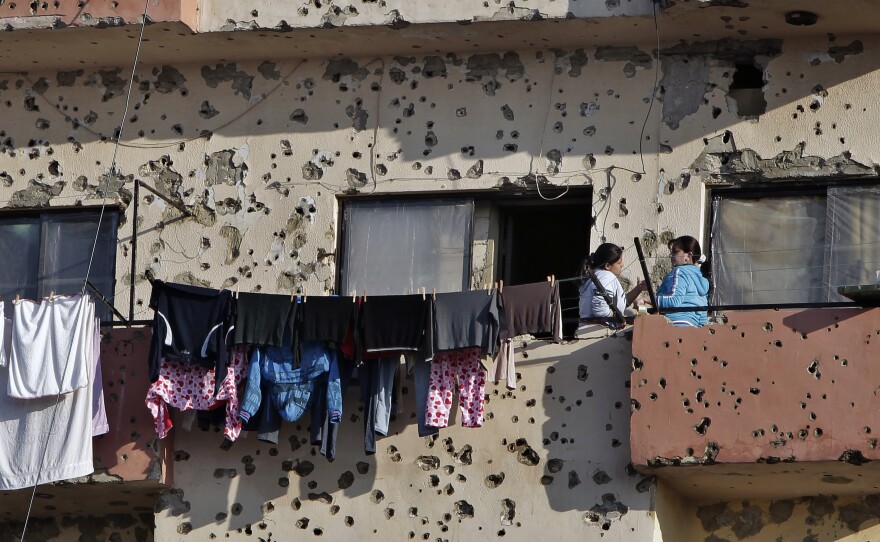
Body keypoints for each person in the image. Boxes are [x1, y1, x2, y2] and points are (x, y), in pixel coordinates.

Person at [579, 243, 646, 320]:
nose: (622, 265)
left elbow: (621, 303)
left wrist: (638, 289)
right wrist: (620, 318)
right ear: (607, 266)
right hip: (601, 330)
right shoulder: (605, 277)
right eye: (619, 263)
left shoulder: (598, 275)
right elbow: (601, 312)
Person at [656, 236, 710, 327]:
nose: (670, 255)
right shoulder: (702, 279)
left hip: (673, 325)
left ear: (688, 256)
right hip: (693, 330)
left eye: (675, 251)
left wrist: (647, 299)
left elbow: (674, 300)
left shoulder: (679, 272)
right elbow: (703, 316)